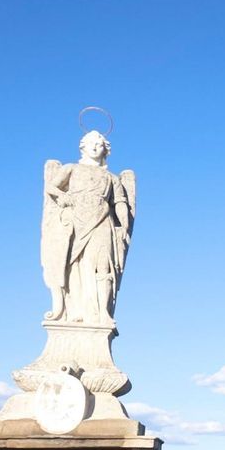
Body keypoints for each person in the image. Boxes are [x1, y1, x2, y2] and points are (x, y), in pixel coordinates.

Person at [41, 130, 137, 324]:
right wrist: (62, 196)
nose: (95, 146)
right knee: (72, 267)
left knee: (103, 266)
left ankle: (103, 313)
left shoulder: (112, 178)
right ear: (82, 146)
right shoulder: (71, 169)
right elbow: (51, 187)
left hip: (102, 221)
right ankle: (74, 311)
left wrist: (125, 226)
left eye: (99, 144)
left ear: (106, 150)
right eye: (91, 143)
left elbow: (120, 202)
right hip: (75, 221)